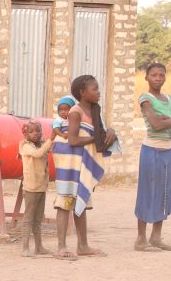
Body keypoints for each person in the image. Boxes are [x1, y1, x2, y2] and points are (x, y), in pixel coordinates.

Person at [51, 75, 119, 260]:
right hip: (70, 162)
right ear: (82, 92)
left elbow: (101, 132)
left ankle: (83, 245)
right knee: (65, 202)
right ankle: (61, 246)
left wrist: (109, 133)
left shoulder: (95, 110)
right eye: (94, 89)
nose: (98, 92)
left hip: (83, 161)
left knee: (81, 200)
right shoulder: (75, 111)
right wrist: (98, 137)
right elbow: (73, 140)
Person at [135, 62, 171, 252]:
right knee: (147, 191)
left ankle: (156, 237)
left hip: (168, 150)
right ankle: (140, 239)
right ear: (146, 77)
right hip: (151, 150)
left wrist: (167, 121)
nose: (158, 78)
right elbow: (155, 125)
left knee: (164, 193)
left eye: (161, 75)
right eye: (154, 75)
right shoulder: (145, 98)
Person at [18, 120, 55, 257]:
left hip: (41, 187)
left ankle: (39, 247)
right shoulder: (25, 146)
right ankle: (25, 248)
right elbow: (39, 153)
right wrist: (51, 138)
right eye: (31, 131)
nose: (35, 134)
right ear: (25, 134)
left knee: (38, 219)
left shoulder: (40, 144)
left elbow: (48, 148)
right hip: (31, 188)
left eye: (38, 131)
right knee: (28, 219)